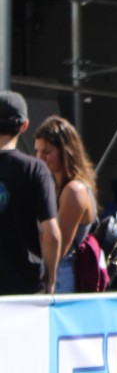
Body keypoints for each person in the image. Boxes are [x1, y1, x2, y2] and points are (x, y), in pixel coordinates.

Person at [0, 90, 61, 295]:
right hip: (25, 286)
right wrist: (50, 278)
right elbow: (52, 233)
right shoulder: (35, 169)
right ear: (24, 125)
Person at [33, 115, 98, 293]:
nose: (40, 158)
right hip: (52, 272)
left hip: (60, 275)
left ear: (66, 152)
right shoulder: (54, 186)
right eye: (37, 152)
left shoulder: (74, 190)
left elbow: (58, 249)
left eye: (47, 152)